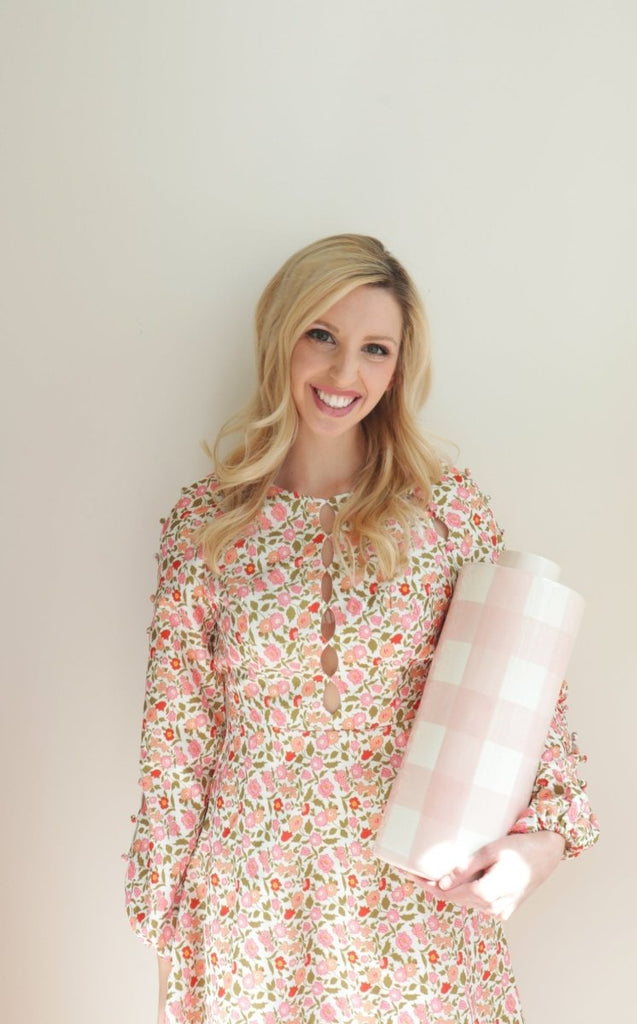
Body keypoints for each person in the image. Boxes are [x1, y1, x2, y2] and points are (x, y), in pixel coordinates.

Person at [124, 234, 599, 1024]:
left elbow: (520, 695)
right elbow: (175, 742)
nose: (345, 373)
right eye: (322, 335)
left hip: (413, 895)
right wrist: (167, 927)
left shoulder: (444, 511)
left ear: (398, 367)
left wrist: (542, 842)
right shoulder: (206, 525)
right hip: (251, 901)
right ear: (280, 336)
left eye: (375, 349)